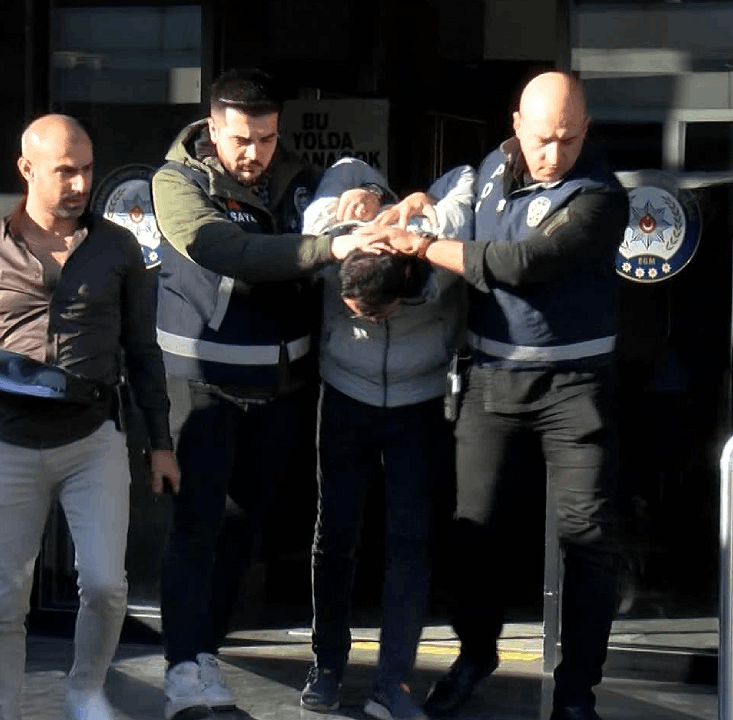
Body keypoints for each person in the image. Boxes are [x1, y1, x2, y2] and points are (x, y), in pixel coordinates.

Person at [355, 71, 629, 720]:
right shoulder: (490, 169)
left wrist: (422, 245)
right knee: (472, 534)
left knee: (586, 539)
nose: (553, 153)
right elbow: (452, 204)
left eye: (569, 139)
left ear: (587, 131)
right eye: (542, 138)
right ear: (516, 126)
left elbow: (519, 265)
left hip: (574, 389)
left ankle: (576, 695)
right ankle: (475, 656)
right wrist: (416, 202)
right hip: (489, 381)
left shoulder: (600, 196)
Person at [0, 114, 179, 720]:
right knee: (3, 599)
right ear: (27, 168)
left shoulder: (117, 248)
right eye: (66, 171)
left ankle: (85, 690)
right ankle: (2, 712)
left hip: (93, 440)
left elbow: (143, 351)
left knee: (107, 586)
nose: (81, 183)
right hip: (9, 445)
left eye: (87, 169)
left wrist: (161, 444)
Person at [150, 68, 386, 720]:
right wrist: (328, 246)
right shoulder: (176, 182)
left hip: (279, 391)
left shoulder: (297, 177)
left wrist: (368, 198)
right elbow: (229, 250)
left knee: (240, 535)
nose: (254, 152)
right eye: (240, 139)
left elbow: (352, 191)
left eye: (267, 137)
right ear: (212, 127)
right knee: (196, 531)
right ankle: (182, 673)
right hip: (201, 386)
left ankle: (206, 656)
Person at [298, 165, 474, 719]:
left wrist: (420, 209)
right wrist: (370, 193)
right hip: (344, 397)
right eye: (356, 311)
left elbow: (465, 180)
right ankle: (327, 665)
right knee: (335, 535)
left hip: (418, 405)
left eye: (379, 311)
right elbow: (345, 169)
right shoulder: (328, 229)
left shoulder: (437, 247)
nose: (369, 321)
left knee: (410, 542)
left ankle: (393, 682)